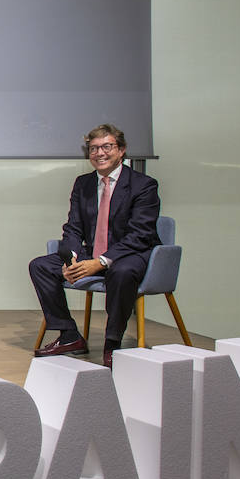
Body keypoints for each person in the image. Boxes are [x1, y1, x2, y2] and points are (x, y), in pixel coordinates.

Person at [30, 124, 161, 368]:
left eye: (106, 147)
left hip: (129, 253)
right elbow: (73, 228)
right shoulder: (83, 184)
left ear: (121, 150)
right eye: (93, 149)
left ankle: (112, 343)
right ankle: (69, 335)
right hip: (92, 252)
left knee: (122, 272)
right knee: (40, 266)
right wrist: (72, 261)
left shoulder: (144, 185)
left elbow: (140, 234)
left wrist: (100, 262)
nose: (99, 153)